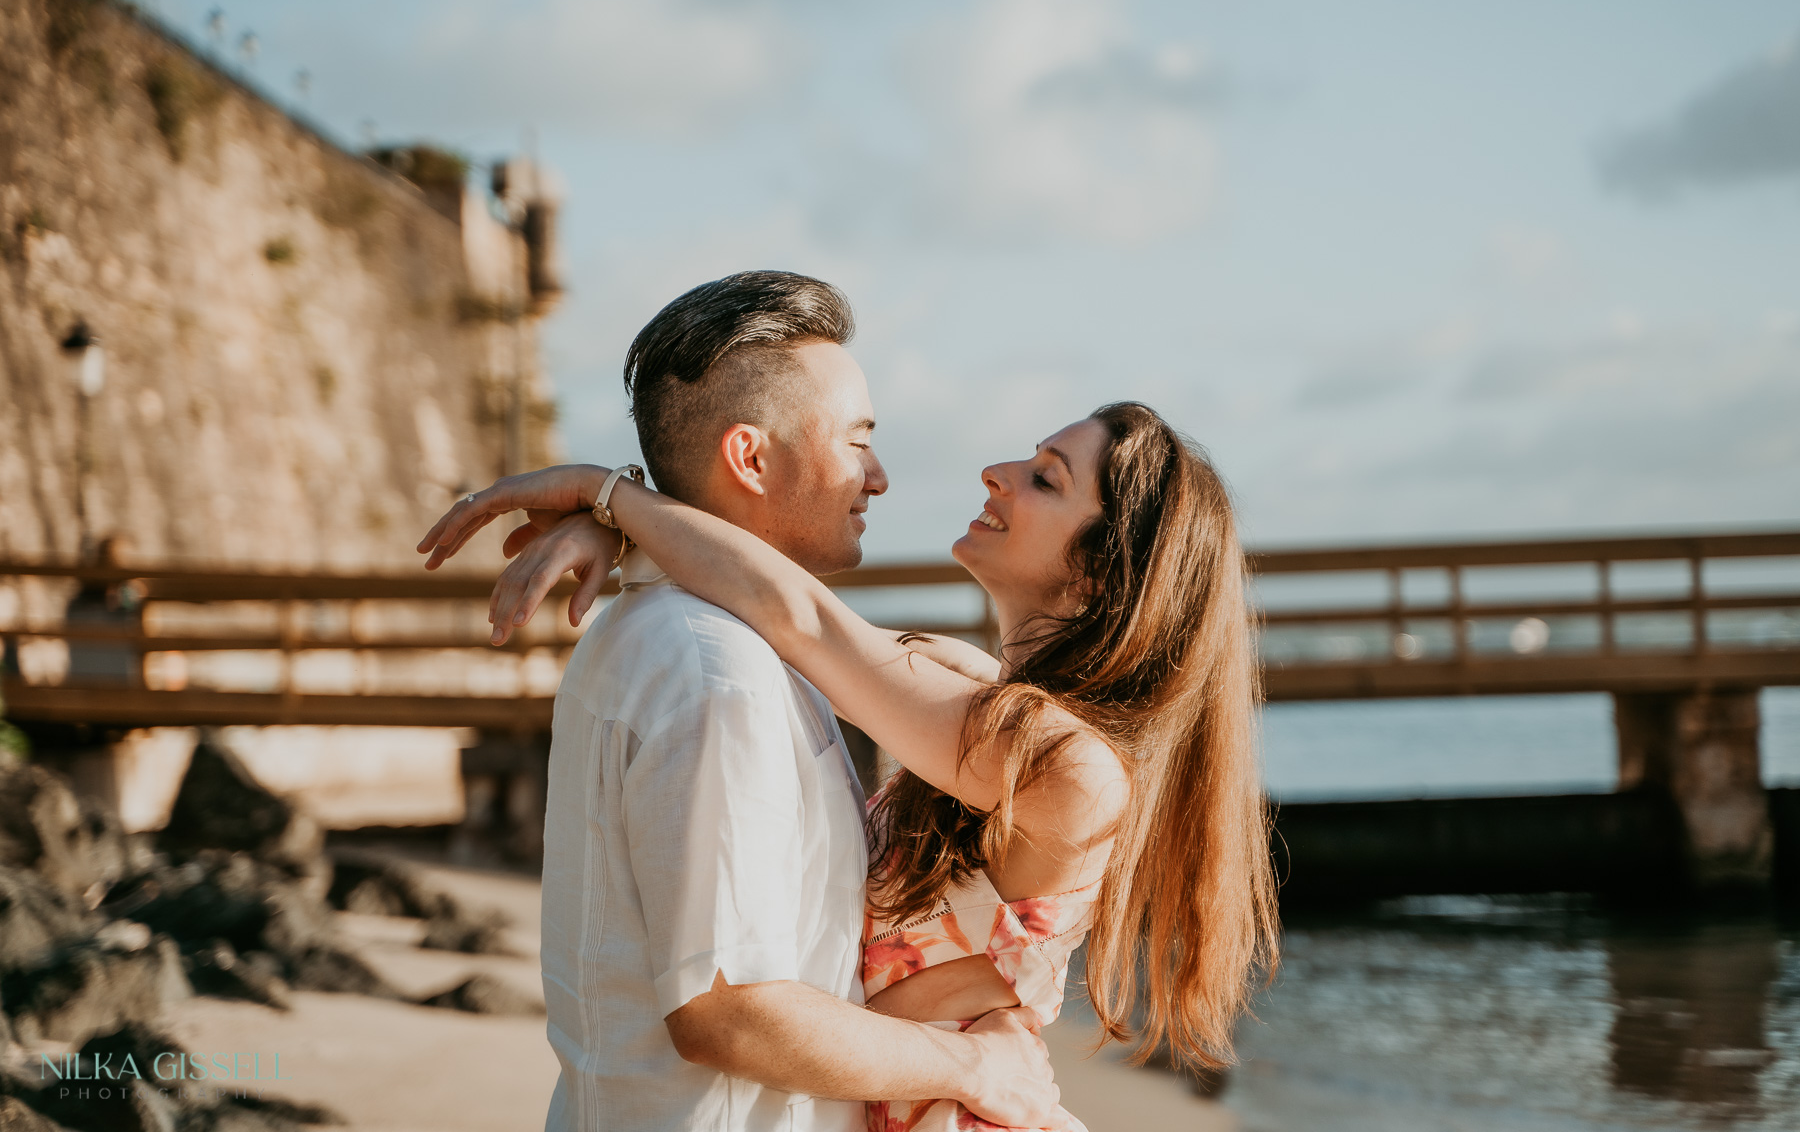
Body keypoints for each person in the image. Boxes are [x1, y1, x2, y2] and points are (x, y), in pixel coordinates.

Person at [423, 379, 1282, 1128]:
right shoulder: (969, 689)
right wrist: (628, 543)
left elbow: (804, 622)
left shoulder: (1072, 769)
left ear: (1101, 573)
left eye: (1045, 479)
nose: (998, 472)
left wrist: (606, 495)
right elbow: (784, 610)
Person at [421, 271, 1064, 1132]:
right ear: (751, 458)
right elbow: (727, 1009)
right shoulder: (717, 672)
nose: (876, 477)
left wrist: (619, 514)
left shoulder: (720, 644)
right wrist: (978, 1065)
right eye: (856, 440)